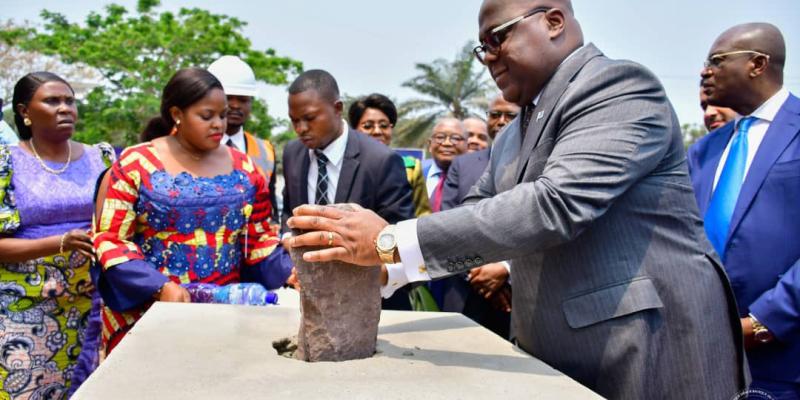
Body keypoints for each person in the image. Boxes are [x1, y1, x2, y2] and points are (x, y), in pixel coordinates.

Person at [284, 1, 748, 398]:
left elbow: (556, 204)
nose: (488, 57)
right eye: (481, 47)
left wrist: (385, 240)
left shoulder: (617, 87)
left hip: (647, 345)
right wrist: (377, 268)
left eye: (497, 38)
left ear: (552, 21)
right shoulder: (516, 131)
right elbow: (477, 214)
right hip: (559, 348)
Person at [93, 68, 289, 353]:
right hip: (148, 312)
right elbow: (110, 240)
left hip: (223, 311)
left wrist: (290, 270)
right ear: (177, 114)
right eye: (206, 116)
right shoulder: (136, 163)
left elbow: (259, 239)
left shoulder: (245, 167)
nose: (218, 125)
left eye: (222, 116)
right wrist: (159, 287)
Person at [689, 23, 799, 399]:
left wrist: (761, 322)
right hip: (699, 355)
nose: (705, 71)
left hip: (781, 363)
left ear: (757, 64)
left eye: (716, 60)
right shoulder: (704, 151)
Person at [0, 72, 115, 398]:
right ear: (25, 111)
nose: (65, 108)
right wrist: (58, 243)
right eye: (52, 101)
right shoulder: (7, 162)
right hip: (25, 311)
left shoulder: (101, 157)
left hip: (92, 307)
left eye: (69, 101)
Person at [281, 70, 414, 310]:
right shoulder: (292, 153)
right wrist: (290, 246)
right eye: (294, 120)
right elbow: (288, 212)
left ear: (337, 108)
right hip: (310, 299)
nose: (300, 128)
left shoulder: (381, 161)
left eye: (309, 118)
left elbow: (400, 239)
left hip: (369, 303)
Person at [435, 94, 522, 338]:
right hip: (464, 289)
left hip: (515, 295)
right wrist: (480, 273)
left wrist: (505, 270)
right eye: (495, 115)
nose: (501, 121)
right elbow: (449, 221)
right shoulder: (462, 165)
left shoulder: (538, 161)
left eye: (509, 115)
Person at [208, 55, 280, 226]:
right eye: (229, 97)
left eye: (243, 99)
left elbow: (271, 208)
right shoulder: (191, 144)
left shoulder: (266, 150)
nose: (235, 105)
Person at [348, 93, 431, 218]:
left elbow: (422, 215)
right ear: (354, 129)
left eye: (384, 125)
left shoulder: (411, 167)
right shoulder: (344, 165)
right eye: (368, 126)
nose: (377, 131)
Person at [422, 118, 466, 212]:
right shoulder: (414, 176)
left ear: (467, 145)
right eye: (440, 137)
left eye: (455, 138)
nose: (447, 143)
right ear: (430, 145)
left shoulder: (476, 180)